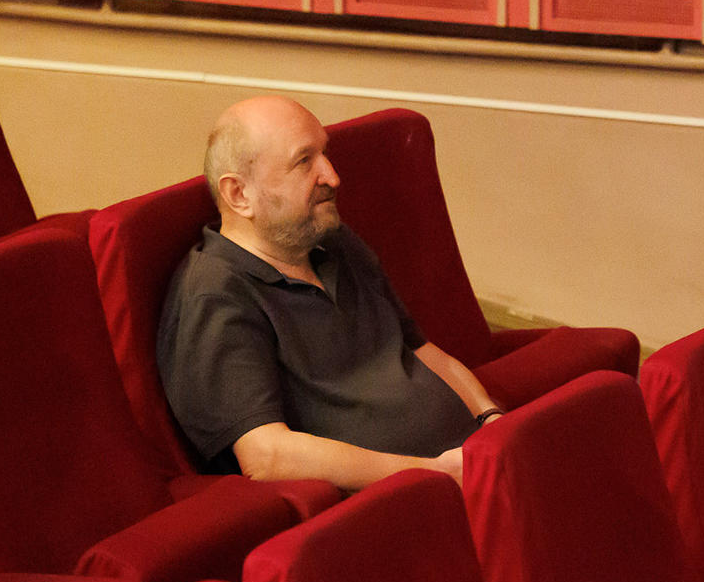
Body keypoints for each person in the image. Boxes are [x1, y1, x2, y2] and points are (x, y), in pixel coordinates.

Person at [157, 95, 503, 491]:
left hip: (467, 467)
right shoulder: (215, 294)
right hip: (398, 500)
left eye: (325, 153)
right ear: (239, 194)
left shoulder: (331, 241)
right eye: (304, 161)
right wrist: (435, 473)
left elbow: (419, 350)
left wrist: (490, 420)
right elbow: (266, 455)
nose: (332, 176)